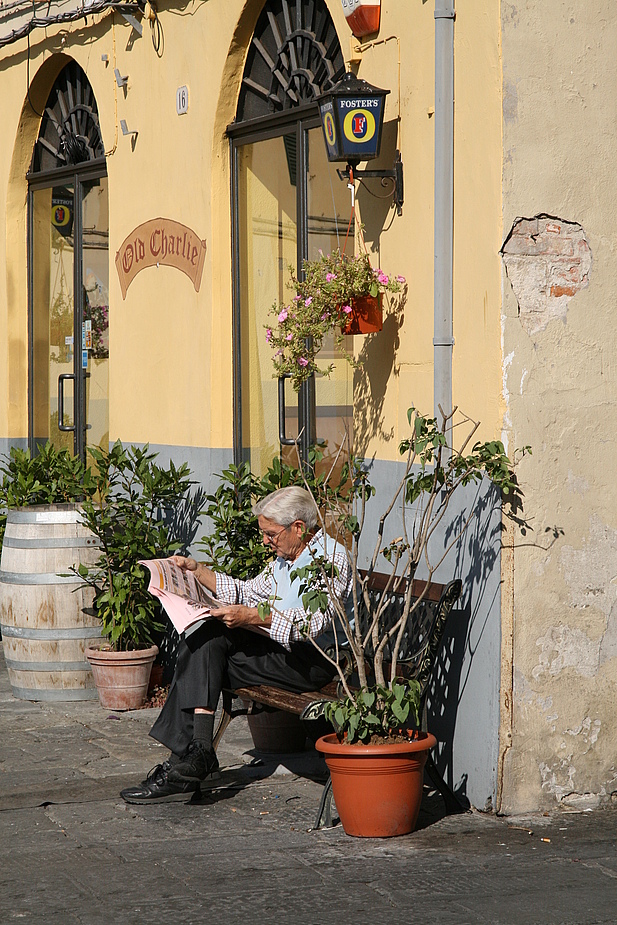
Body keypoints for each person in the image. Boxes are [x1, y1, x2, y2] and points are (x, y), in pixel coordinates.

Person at [120, 485, 352, 804]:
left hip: (317, 661)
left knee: (203, 655)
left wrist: (252, 616)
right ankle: (198, 752)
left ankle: (185, 761)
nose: (266, 541)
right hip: (282, 652)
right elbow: (247, 592)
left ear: (298, 528)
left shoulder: (331, 558)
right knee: (205, 637)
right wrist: (198, 573)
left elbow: (312, 621)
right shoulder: (285, 559)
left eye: (271, 534)